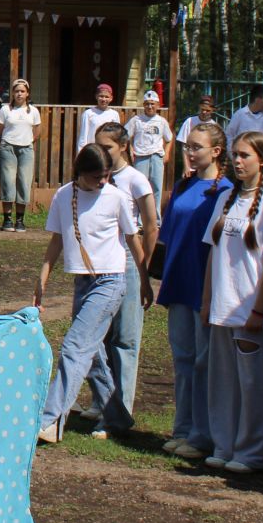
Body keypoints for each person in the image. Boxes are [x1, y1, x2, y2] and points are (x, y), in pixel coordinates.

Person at [33, 144, 138, 444]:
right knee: (92, 355)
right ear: (80, 173)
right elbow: (57, 240)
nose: (102, 182)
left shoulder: (116, 197)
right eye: (96, 177)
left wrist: (143, 279)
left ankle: (50, 420)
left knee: (74, 347)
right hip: (83, 282)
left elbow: (133, 239)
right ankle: (117, 417)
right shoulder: (64, 196)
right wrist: (43, 277)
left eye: (106, 176)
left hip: (110, 282)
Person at [200, 131, 263, 474]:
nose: (238, 161)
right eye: (235, 155)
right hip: (223, 308)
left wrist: (259, 310)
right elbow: (213, 254)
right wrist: (208, 302)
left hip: (251, 312)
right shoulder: (227, 199)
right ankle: (224, 444)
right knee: (222, 383)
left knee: (252, 386)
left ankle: (251, 451)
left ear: (262, 161)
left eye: (245, 156)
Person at [156, 122, 231, 460]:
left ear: (216, 151)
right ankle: (183, 428)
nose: (190, 151)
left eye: (197, 147)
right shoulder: (183, 187)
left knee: (203, 362)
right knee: (183, 360)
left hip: (204, 286)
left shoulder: (225, 191)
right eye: (188, 146)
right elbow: (168, 236)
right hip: (178, 281)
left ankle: (203, 434)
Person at [84, 120, 158, 437]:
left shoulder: (136, 181)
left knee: (124, 339)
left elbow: (151, 226)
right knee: (96, 336)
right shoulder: (97, 178)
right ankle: (103, 401)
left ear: (124, 146)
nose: (102, 152)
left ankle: (120, 411)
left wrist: (146, 273)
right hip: (100, 262)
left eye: (108, 147)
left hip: (128, 259)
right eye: (98, 146)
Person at [0, 79, 41, 232]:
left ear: (27, 93)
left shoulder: (33, 111)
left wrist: (28, 142)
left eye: (22, 91)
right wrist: (5, 144)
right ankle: (7, 219)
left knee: (24, 182)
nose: (19, 94)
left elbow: (37, 131)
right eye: (17, 91)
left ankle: (20, 219)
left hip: (26, 149)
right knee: (8, 181)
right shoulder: (5, 110)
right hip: (8, 147)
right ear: (12, 93)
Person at [125, 91, 174, 203]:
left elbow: (169, 138)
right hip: (141, 157)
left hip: (156, 157)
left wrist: (167, 153)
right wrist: (130, 149)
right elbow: (125, 135)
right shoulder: (136, 120)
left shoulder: (161, 121)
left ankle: (156, 219)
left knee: (156, 188)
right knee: (140, 187)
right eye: (147, 104)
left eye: (152, 103)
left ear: (157, 105)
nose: (150, 106)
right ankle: (140, 218)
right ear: (143, 105)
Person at [76, 83, 121, 150]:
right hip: (93, 151)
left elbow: (117, 135)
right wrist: (81, 152)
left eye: (106, 97)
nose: (103, 99)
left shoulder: (114, 114)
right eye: (101, 96)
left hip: (108, 151)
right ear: (96, 96)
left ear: (111, 98)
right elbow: (83, 137)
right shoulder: (88, 113)